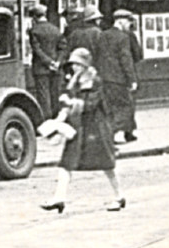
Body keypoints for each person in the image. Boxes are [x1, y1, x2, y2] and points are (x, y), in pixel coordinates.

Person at [41, 46, 125, 214]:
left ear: (85, 65)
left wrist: (70, 103)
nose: (74, 67)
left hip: (96, 128)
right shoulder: (74, 81)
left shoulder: (95, 81)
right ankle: (59, 198)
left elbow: (91, 105)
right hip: (78, 128)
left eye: (78, 64)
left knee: (107, 165)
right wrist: (60, 117)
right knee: (66, 163)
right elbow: (70, 101)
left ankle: (119, 196)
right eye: (73, 64)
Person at [100, 8, 144, 144]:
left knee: (111, 107)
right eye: (127, 21)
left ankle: (115, 134)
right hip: (119, 78)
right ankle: (112, 133)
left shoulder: (103, 35)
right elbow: (126, 59)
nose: (129, 25)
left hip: (105, 77)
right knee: (125, 106)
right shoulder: (123, 37)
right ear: (120, 21)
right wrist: (132, 79)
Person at [21, 0, 66, 121]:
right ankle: (57, 119)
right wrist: (57, 62)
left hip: (41, 69)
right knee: (55, 94)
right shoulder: (55, 29)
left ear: (34, 17)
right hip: (56, 68)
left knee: (43, 96)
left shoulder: (34, 31)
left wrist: (48, 62)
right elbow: (63, 47)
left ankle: (46, 121)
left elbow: (37, 50)